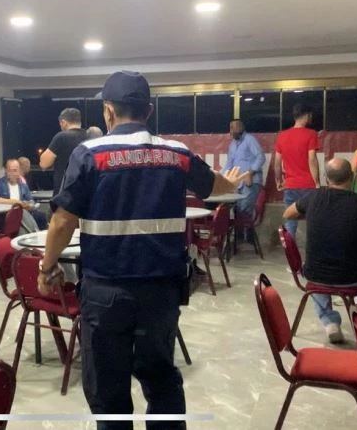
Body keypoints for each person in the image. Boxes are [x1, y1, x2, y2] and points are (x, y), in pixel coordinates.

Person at [38, 70, 245, 430]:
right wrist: (231, 182)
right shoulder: (176, 154)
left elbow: (61, 221)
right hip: (161, 293)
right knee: (162, 380)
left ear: (108, 111)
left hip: (106, 293)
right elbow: (214, 186)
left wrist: (47, 268)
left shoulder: (90, 154)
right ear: (148, 111)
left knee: (108, 391)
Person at [283, 158, 357, 343]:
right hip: (351, 276)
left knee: (317, 271)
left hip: (314, 274)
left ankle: (330, 322)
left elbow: (287, 213)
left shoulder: (313, 197)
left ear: (326, 178)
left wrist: (314, 216)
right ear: (351, 177)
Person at [274, 104, 320, 237]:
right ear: (306, 115)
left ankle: (290, 249)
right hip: (308, 185)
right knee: (312, 221)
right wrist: (317, 182)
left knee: (290, 222)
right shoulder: (311, 134)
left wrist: (279, 181)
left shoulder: (282, 136)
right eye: (310, 115)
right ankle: (313, 248)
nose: (311, 117)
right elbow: (312, 160)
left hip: (290, 185)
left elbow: (277, 163)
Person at [223, 119, 265, 222]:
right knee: (236, 211)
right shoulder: (232, 145)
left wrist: (250, 173)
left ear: (241, 128)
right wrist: (221, 177)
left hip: (251, 183)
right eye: (230, 128)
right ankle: (242, 233)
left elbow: (261, 157)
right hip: (238, 184)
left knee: (244, 211)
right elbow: (229, 164)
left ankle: (245, 232)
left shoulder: (249, 139)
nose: (231, 131)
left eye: (233, 128)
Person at [39, 108, 90, 192]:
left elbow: (44, 164)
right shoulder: (90, 137)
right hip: (85, 192)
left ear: (64, 122)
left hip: (64, 192)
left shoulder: (61, 137)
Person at [0, 159, 47, 232]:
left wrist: (29, 205)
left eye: (15, 170)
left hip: (22, 215)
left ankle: (36, 233)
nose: (13, 173)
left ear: (19, 171)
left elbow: (31, 201)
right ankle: (35, 233)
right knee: (20, 217)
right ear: (6, 171)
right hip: (5, 216)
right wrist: (16, 202)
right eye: (10, 171)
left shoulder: (23, 186)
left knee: (40, 216)